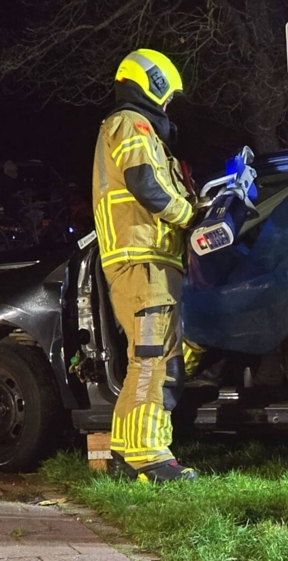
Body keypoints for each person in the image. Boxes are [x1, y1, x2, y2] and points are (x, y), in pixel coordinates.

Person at [92, 49, 198, 482]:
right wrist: (190, 215)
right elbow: (146, 184)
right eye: (167, 94)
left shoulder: (140, 130)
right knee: (153, 360)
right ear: (151, 83)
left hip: (149, 262)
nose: (168, 104)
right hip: (141, 261)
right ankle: (147, 456)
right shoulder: (131, 124)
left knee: (155, 357)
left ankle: (125, 449)